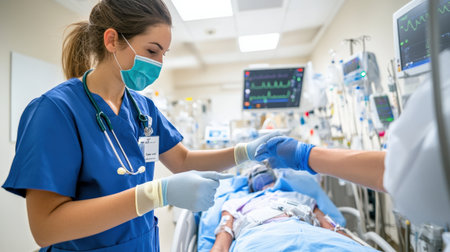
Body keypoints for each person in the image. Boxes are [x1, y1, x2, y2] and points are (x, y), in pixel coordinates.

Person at [1, 1, 279, 251]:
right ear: (112, 40)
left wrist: (246, 152)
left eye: (164, 54)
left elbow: (183, 160)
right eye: (152, 51)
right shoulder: (56, 111)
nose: (159, 63)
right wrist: (155, 193)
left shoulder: (142, 109)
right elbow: (46, 228)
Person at [209, 164, 377, 252]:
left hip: (308, 233)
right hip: (260, 237)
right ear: (249, 184)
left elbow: (332, 227)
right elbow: (222, 244)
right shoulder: (234, 203)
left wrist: (356, 244)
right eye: (255, 174)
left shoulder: (301, 197)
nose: (260, 174)